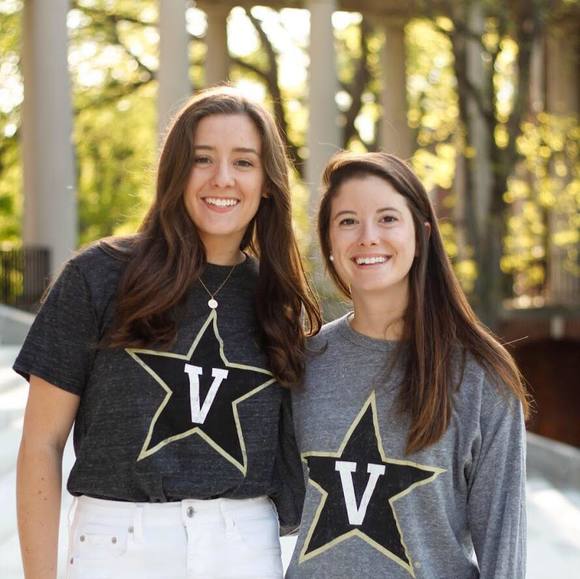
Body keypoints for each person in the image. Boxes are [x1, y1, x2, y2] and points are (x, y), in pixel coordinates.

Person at [15, 86, 320, 579]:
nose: (223, 178)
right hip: (115, 549)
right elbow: (41, 443)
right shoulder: (98, 277)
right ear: (176, 169)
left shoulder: (277, 299)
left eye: (244, 162)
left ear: (267, 182)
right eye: (203, 158)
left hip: (244, 549)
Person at [286, 152, 529, 578]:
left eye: (387, 219)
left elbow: (504, 552)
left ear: (422, 233)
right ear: (328, 242)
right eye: (348, 221)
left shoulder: (479, 377)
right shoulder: (301, 364)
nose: (368, 237)